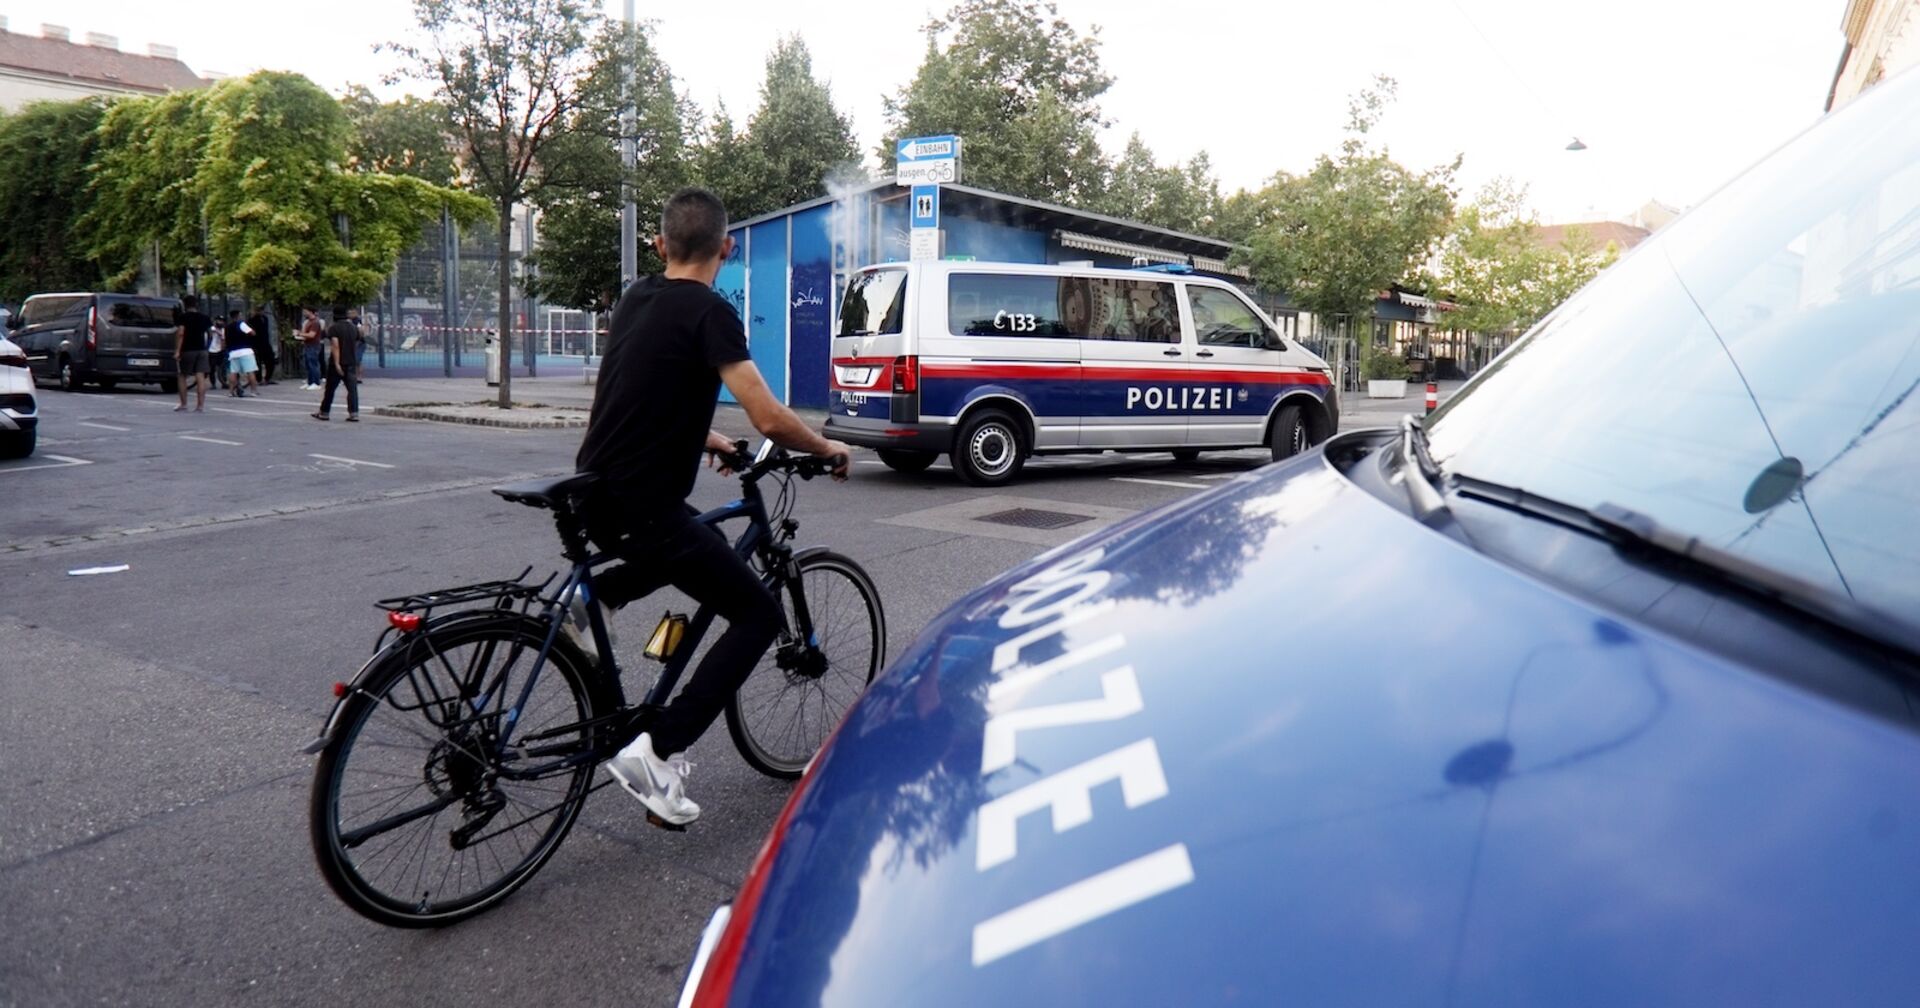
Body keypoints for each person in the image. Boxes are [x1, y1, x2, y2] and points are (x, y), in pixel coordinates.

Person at [577, 187, 852, 827]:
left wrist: (711, 438)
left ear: (660, 245)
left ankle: (594, 603)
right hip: (642, 504)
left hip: (596, 492)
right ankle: (657, 754)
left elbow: (636, 399)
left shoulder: (635, 299)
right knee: (757, 613)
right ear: (727, 248)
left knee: (688, 545)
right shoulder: (709, 311)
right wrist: (826, 446)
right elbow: (768, 414)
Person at [312, 306, 361, 422]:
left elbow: (335, 345)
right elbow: (357, 341)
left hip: (337, 364)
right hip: (350, 362)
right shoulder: (353, 328)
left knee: (330, 389)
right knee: (352, 389)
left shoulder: (334, 328)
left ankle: (324, 412)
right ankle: (353, 413)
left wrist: (337, 363)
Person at [172, 296, 213, 413]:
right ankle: (200, 406)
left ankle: (183, 404)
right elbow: (210, 334)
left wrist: (177, 350)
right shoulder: (205, 318)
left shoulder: (183, 317)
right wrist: (207, 347)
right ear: (196, 305)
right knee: (200, 377)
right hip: (202, 350)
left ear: (185, 305)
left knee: (182, 376)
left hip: (187, 350)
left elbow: (180, 333)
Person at [223, 310, 259, 397]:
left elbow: (225, 340)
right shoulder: (241, 324)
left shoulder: (227, 327)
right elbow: (252, 333)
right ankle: (253, 391)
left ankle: (231, 392)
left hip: (233, 352)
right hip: (245, 351)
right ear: (238, 316)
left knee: (233, 372)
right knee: (250, 371)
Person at [299, 307, 325, 389]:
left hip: (313, 345)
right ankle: (310, 381)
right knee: (308, 363)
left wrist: (300, 334)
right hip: (308, 344)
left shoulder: (315, 322)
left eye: (305, 311)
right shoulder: (308, 322)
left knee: (313, 364)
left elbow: (311, 335)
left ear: (310, 312)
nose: (304, 313)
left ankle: (316, 382)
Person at [249, 309, 277, 384]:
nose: (261, 312)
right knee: (258, 362)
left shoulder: (265, 319)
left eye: (262, 310)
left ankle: (267, 378)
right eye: (259, 310)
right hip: (256, 344)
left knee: (271, 360)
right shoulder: (252, 320)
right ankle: (259, 379)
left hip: (265, 343)